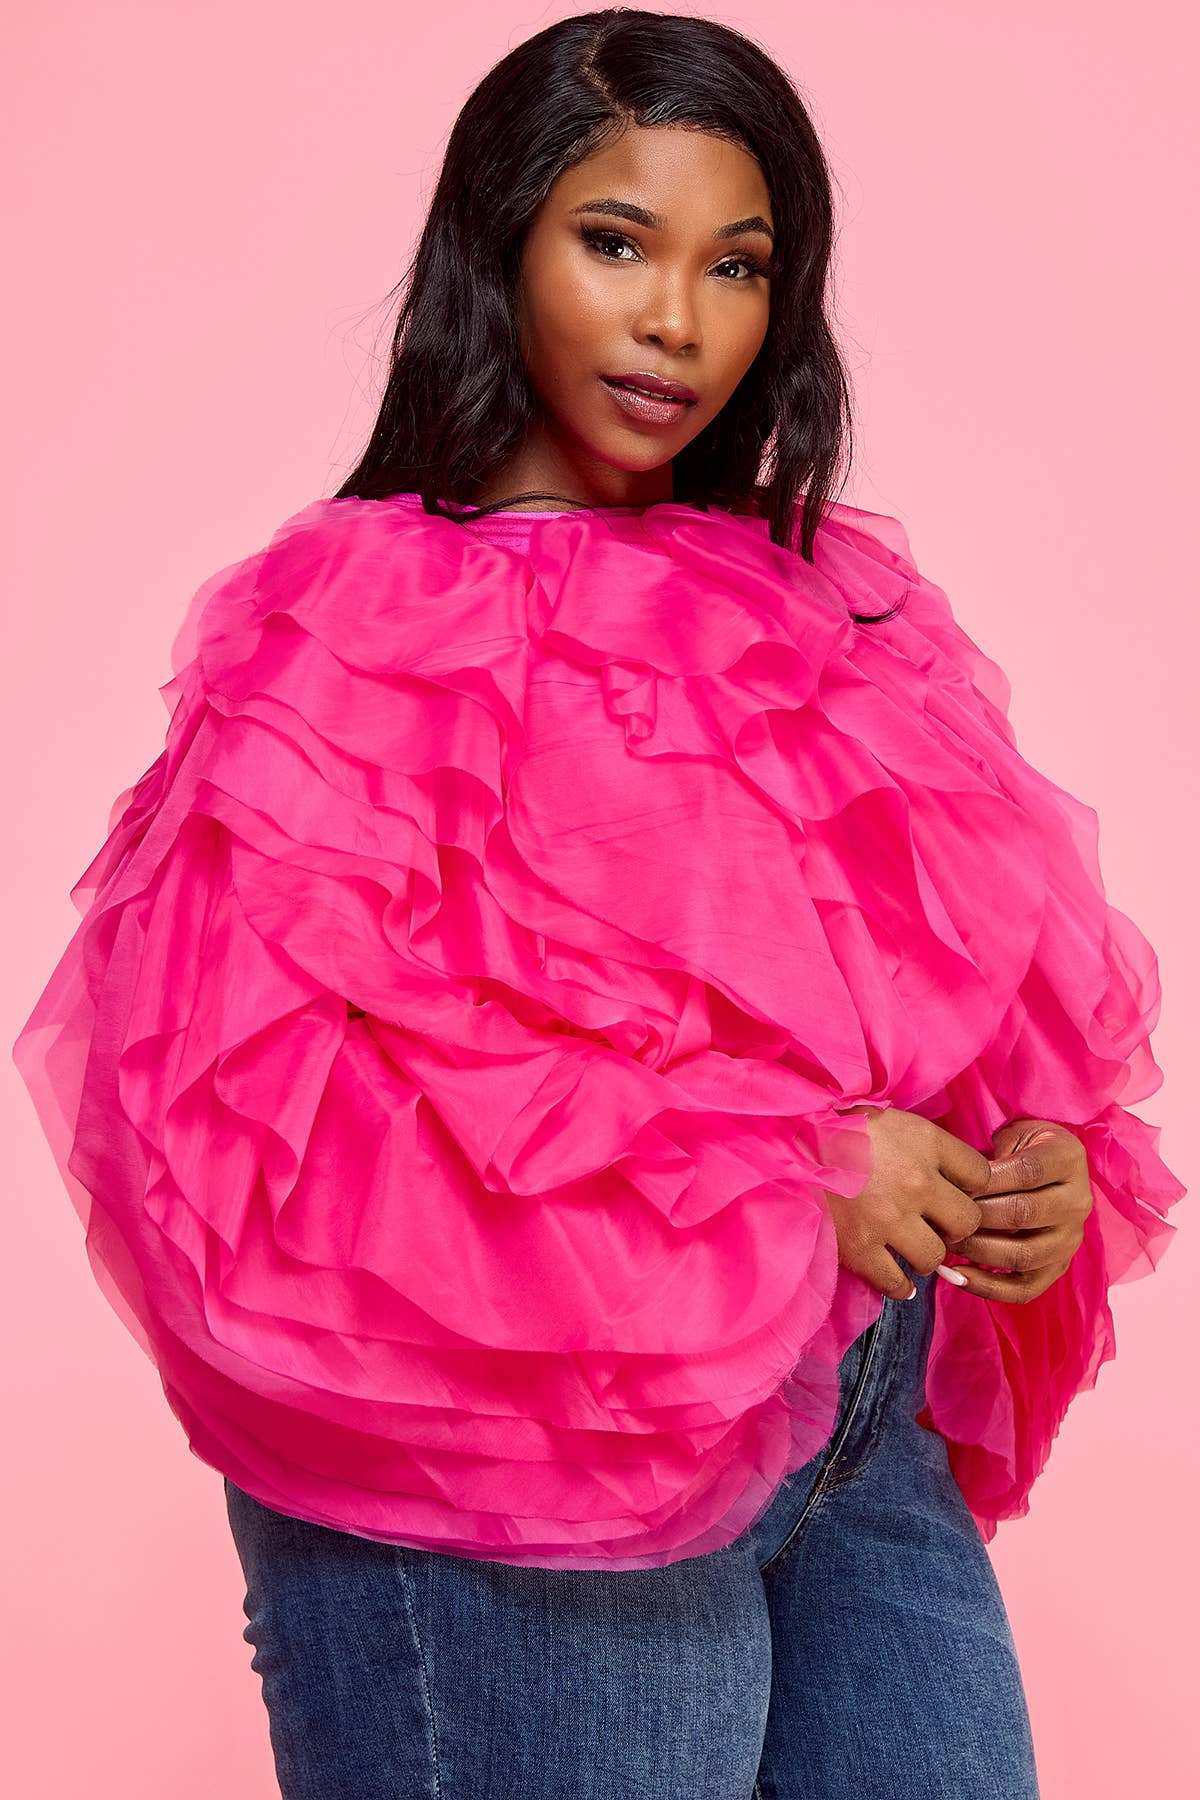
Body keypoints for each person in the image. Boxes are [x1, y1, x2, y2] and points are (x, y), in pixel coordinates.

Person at [12, 10, 1185, 1798]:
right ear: (498, 246)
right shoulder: (349, 629)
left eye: (738, 266)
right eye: (616, 242)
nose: (678, 323)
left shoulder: (822, 607)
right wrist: (795, 1172)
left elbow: (923, 1001)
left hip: (857, 1426)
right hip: (512, 1471)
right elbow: (269, 1157)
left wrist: (1021, 1167)